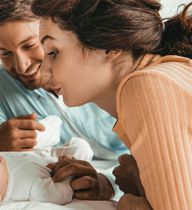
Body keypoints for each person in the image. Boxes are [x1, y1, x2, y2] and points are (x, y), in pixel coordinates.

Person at [31, 0, 192, 209]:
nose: (43, 71)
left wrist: (131, 202)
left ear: (110, 47)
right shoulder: (161, 78)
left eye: (53, 52)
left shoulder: (148, 86)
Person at [0, 0, 125, 200]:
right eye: (5, 53)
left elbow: (149, 156)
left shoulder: (97, 69)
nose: (22, 66)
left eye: (30, 45)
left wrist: (109, 182)